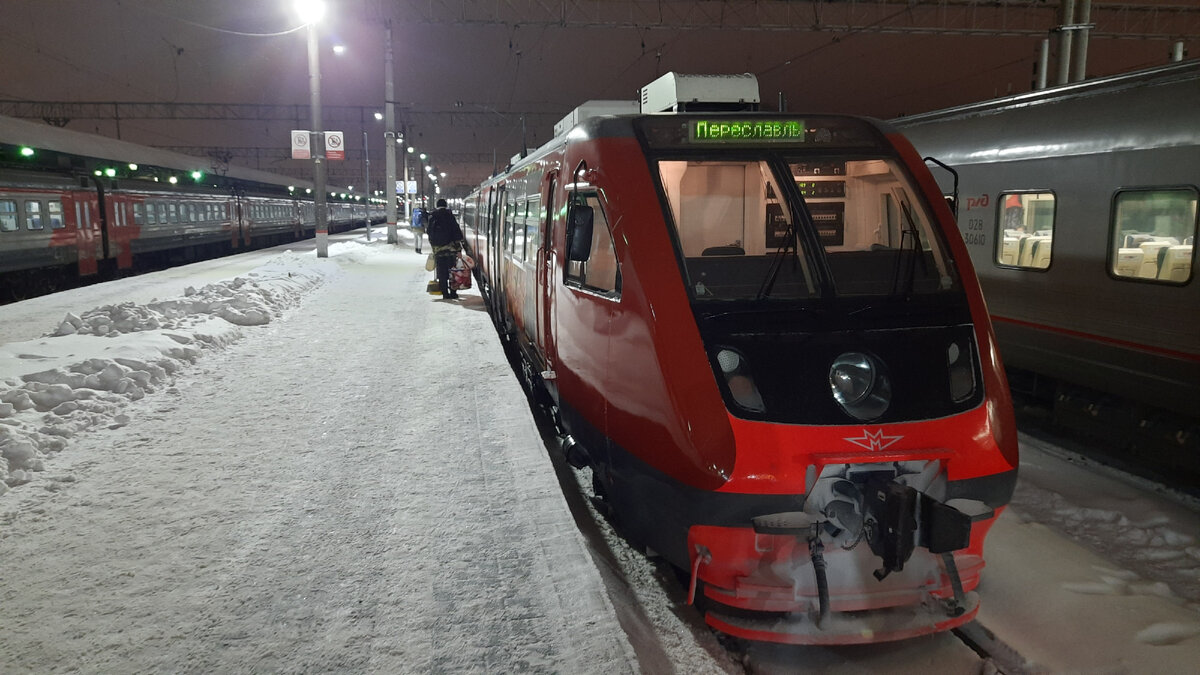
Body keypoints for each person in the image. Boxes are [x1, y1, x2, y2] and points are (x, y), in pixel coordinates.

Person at [426, 198, 465, 300]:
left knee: (442, 272)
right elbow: (456, 232)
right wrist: (459, 249)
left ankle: (445, 293)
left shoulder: (432, 217)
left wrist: (434, 246)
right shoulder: (450, 216)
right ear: (446, 205)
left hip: (438, 251)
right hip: (451, 250)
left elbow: (429, 232)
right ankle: (453, 292)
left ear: (437, 205)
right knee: (453, 271)